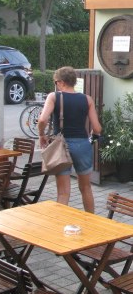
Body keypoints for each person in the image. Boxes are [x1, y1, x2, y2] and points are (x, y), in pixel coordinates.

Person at [37, 66, 101, 213]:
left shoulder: (54, 97)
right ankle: (90, 221)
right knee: (86, 188)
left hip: (61, 146)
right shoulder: (87, 99)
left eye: (56, 82)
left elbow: (42, 120)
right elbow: (97, 128)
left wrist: (41, 135)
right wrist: (91, 139)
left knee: (63, 192)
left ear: (61, 82)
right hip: (82, 144)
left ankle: (61, 224)